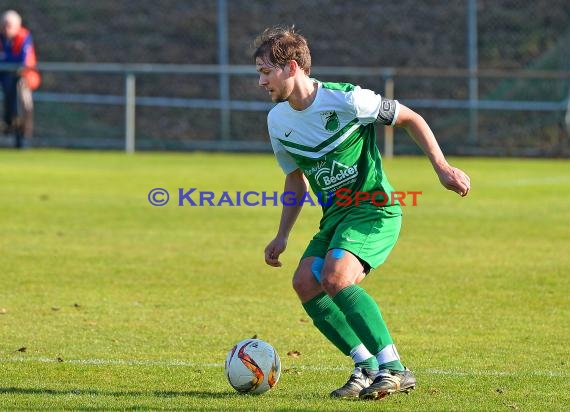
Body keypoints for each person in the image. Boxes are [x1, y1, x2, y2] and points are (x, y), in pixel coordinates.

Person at [254, 26, 470, 401]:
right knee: (306, 282)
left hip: (374, 210)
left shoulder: (347, 99)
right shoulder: (278, 121)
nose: (261, 82)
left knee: (336, 276)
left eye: (264, 71)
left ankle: (396, 369)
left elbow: (410, 118)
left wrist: (442, 167)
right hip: (336, 216)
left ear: (290, 67)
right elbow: (295, 180)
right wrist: (283, 234)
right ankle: (366, 365)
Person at [0, 9, 40, 148]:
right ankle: (6, 126)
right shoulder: (1, 38)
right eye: (4, 24)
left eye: (9, 25)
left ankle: (25, 136)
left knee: (24, 101)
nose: (5, 28)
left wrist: (5, 60)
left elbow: (22, 61)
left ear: (17, 26)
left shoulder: (23, 37)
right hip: (4, 76)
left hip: (23, 77)